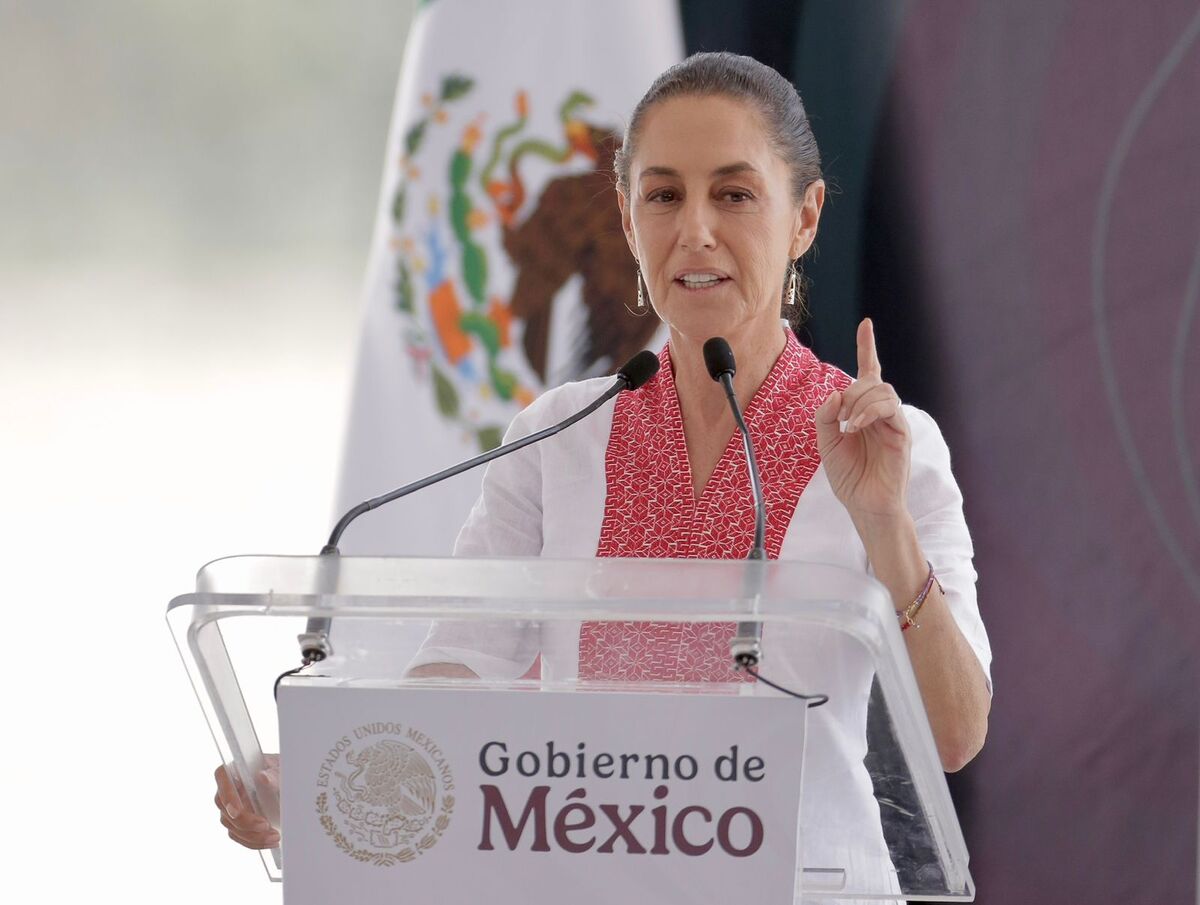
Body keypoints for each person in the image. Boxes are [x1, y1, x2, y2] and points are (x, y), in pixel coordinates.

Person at [216, 52, 992, 880]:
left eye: (733, 194)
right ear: (627, 221)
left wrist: (883, 522)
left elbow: (954, 734)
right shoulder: (557, 437)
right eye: (663, 195)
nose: (695, 229)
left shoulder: (887, 446)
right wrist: (330, 772)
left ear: (804, 218)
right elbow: (458, 673)